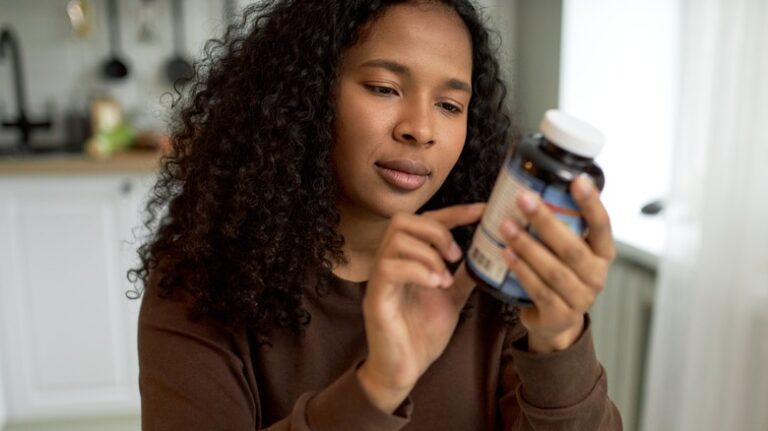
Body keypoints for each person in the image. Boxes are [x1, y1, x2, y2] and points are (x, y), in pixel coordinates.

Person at [131, 0, 622, 429]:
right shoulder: (200, 280)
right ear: (308, 92)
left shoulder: (497, 272)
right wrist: (377, 387)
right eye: (385, 88)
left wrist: (559, 342)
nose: (421, 129)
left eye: (450, 105)